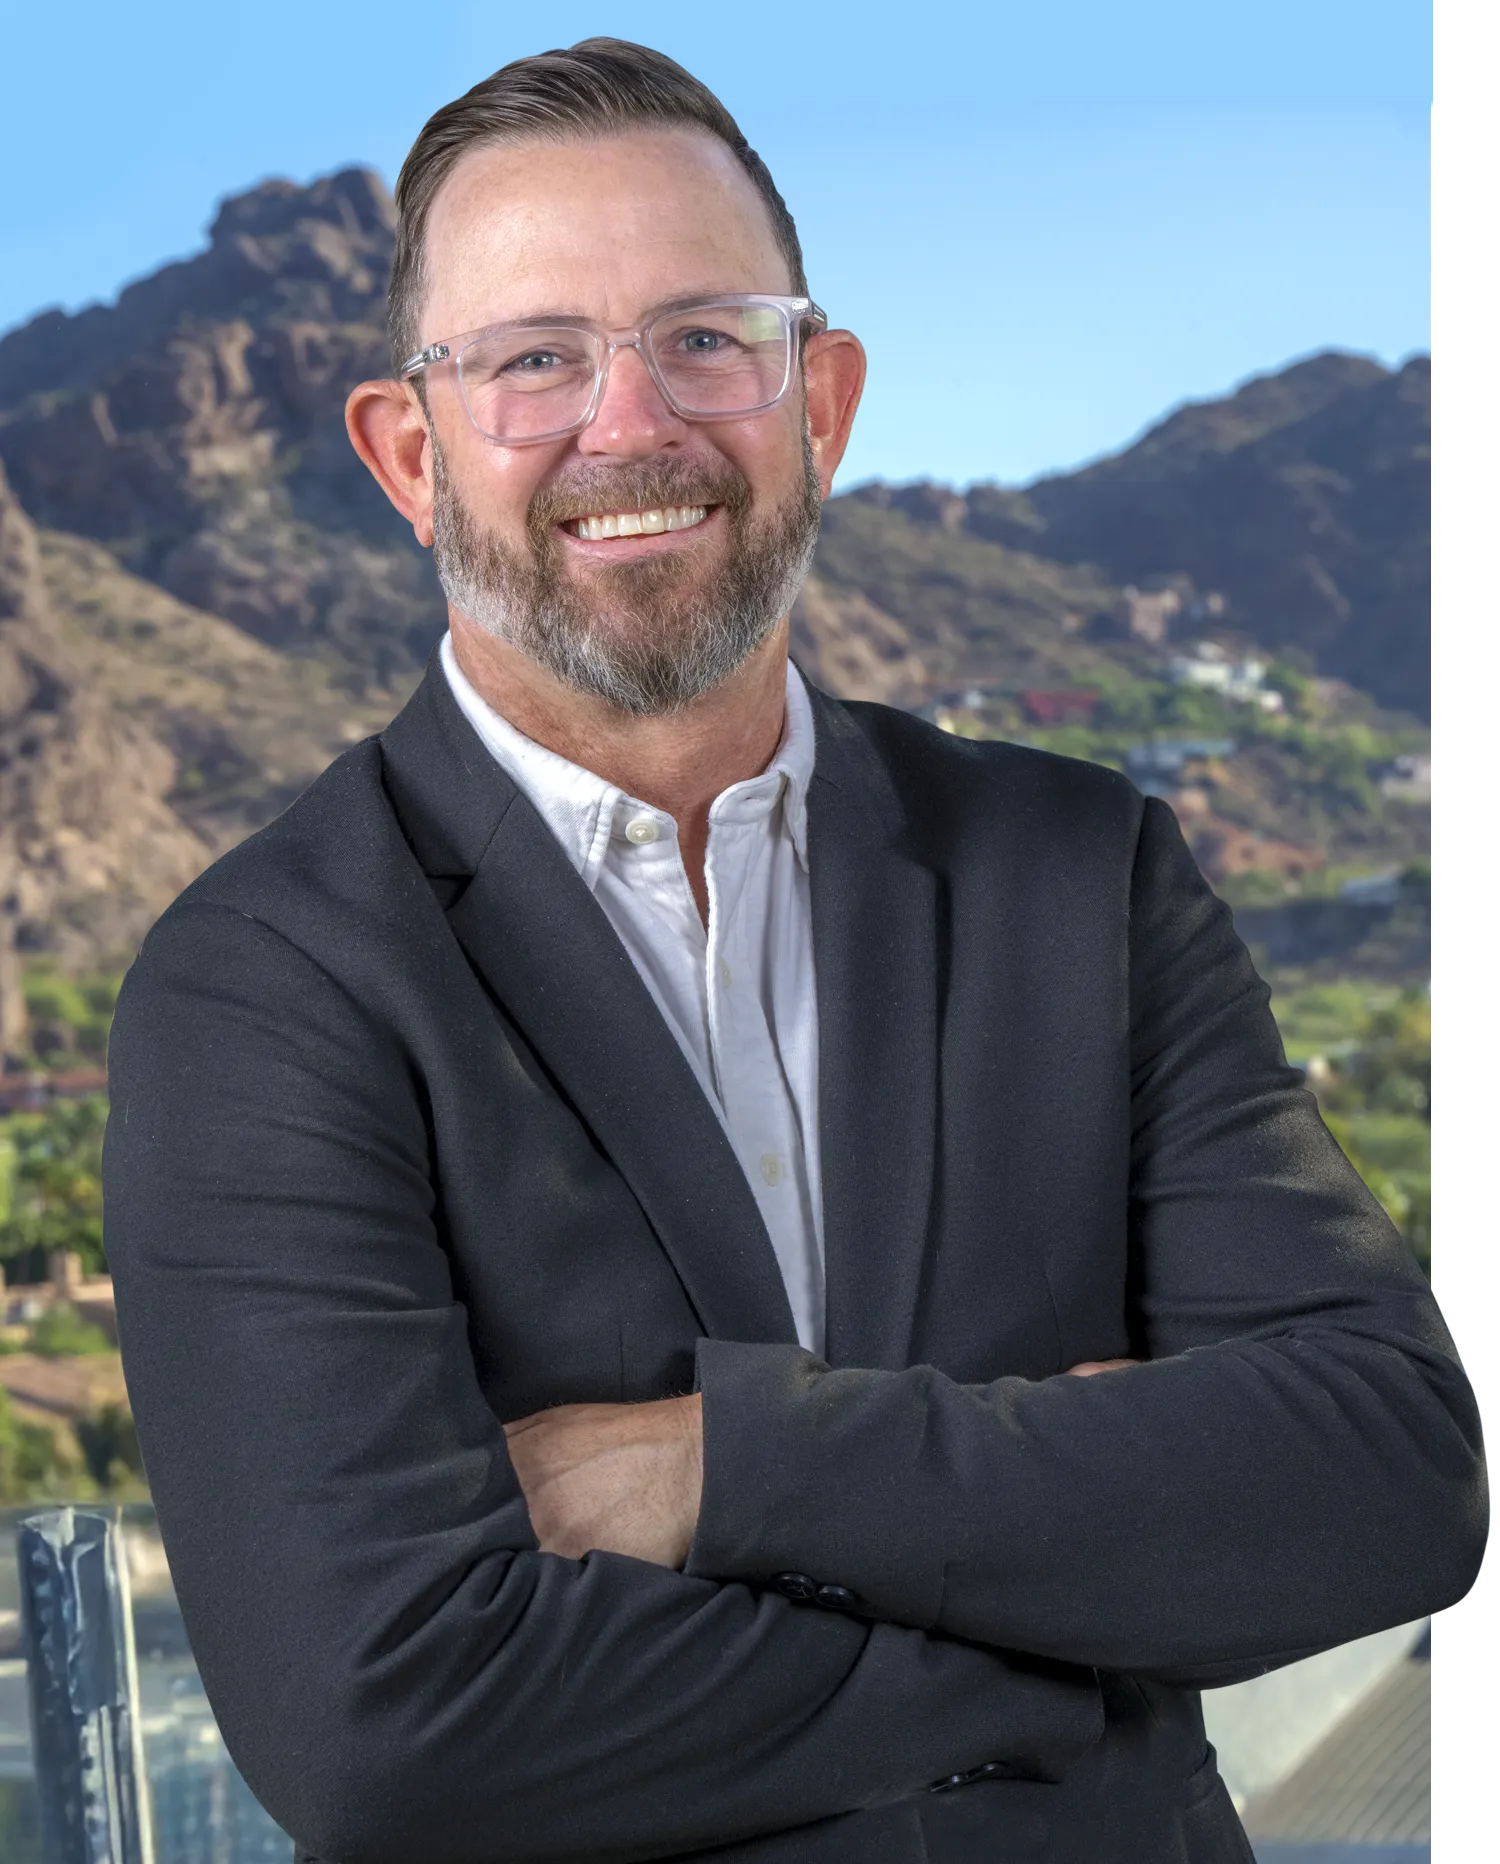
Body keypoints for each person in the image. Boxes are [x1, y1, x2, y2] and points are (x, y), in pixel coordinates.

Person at [103, 38, 1486, 1864]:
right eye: (535, 359)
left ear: (817, 401)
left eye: (705, 338)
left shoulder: (1085, 874)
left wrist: (720, 1468)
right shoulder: (261, 985)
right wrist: (1079, 1637)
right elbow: (388, 1721)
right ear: (407, 454)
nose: (633, 426)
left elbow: (1389, 1480)